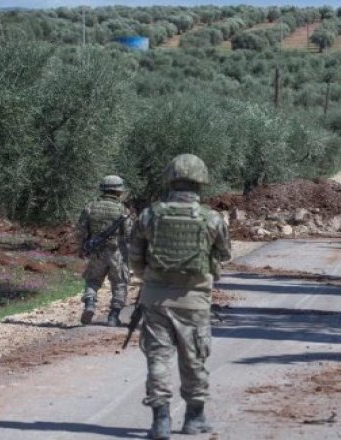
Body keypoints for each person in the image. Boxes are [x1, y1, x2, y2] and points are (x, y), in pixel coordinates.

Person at [129, 154, 231, 439]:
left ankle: (160, 420)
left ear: (170, 179)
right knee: (194, 358)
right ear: (201, 182)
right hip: (194, 300)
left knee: (158, 357)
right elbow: (224, 254)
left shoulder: (149, 215)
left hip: (155, 299)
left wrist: (151, 278)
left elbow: (135, 258)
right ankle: (193, 419)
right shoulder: (211, 218)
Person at [76, 175, 131, 327]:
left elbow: (80, 230)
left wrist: (82, 247)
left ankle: (90, 304)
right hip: (116, 253)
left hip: (96, 251)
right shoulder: (123, 210)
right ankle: (113, 316)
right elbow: (129, 235)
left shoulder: (90, 207)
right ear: (119, 191)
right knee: (120, 283)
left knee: (92, 280)